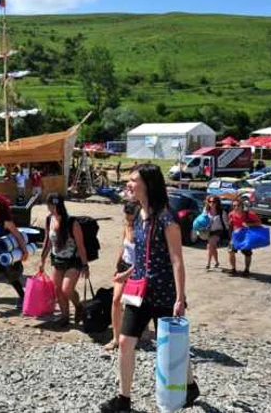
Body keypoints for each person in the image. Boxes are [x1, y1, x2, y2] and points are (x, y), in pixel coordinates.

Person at [100, 164, 199, 413]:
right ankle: (123, 399)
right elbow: (146, 257)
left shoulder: (167, 219)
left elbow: (176, 260)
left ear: (148, 185)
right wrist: (127, 273)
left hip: (164, 293)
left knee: (171, 345)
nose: (129, 184)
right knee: (124, 342)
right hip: (139, 292)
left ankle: (190, 385)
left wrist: (179, 298)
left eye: (133, 180)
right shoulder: (140, 215)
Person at [38, 194, 90, 327]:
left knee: (66, 289)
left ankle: (79, 306)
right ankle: (65, 316)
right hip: (57, 260)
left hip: (73, 261)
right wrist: (42, 259)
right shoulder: (49, 219)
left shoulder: (72, 222)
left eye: (53, 205)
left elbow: (81, 245)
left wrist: (85, 265)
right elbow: (47, 241)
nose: (51, 208)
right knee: (58, 290)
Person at [105, 201, 138, 351]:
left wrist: (127, 272)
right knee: (116, 300)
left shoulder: (143, 229)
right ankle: (115, 337)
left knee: (132, 304)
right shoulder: (126, 226)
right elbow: (123, 246)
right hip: (124, 265)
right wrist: (117, 265)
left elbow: (144, 258)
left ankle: (132, 334)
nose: (129, 221)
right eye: (127, 218)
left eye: (131, 218)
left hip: (137, 269)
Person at [227, 198, 261, 277]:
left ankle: (247, 270)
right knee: (230, 251)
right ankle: (233, 269)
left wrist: (249, 224)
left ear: (242, 206)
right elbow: (230, 226)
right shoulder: (231, 214)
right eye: (234, 206)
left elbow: (259, 223)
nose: (236, 207)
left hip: (246, 236)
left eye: (238, 205)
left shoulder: (249, 214)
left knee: (247, 253)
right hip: (235, 236)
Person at [204, 196, 229, 270]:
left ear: (217, 202)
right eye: (210, 201)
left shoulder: (222, 212)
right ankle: (217, 262)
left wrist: (228, 234)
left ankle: (208, 263)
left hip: (218, 231)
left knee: (210, 246)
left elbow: (226, 224)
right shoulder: (205, 210)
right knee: (213, 247)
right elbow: (202, 220)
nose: (212, 203)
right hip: (208, 231)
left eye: (214, 202)